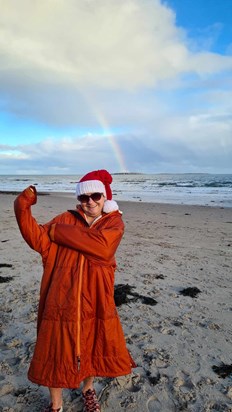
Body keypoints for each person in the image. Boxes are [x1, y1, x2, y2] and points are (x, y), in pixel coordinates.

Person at [14, 169, 136, 412]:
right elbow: (38, 239)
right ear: (78, 199)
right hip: (62, 297)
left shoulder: (113, 222)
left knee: (92, 346)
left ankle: (88, 389)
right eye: (84, 197)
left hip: (96, 298)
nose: (90, 201)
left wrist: (57, 232)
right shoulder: (65, 217)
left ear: (105, 197)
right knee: (55, 350)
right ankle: (56, 404)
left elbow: (102, 248)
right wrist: (22, 207)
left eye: (96, 196)